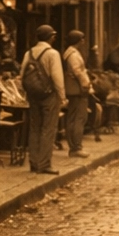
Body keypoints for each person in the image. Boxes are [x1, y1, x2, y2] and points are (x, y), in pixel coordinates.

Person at [21, 25, 65, 175]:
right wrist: (62, 96)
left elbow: (22, 74)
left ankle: (34, 162)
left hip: (33, 95)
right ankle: (45, 163)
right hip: (49, 95)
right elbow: (57, 77)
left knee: (35, 128)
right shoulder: (53, 54)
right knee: (48, 128)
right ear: (51, 37)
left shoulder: (29, 53)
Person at [63, 30, 92, 159]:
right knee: (79, 118)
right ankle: (76, 147)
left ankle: (73, 146)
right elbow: (78, 71)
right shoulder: (73, 54)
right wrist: (86, 84)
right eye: (82, 39)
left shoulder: (69, 53)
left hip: (72, 89)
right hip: (78, 89)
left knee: (72, 118)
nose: (83, 41)